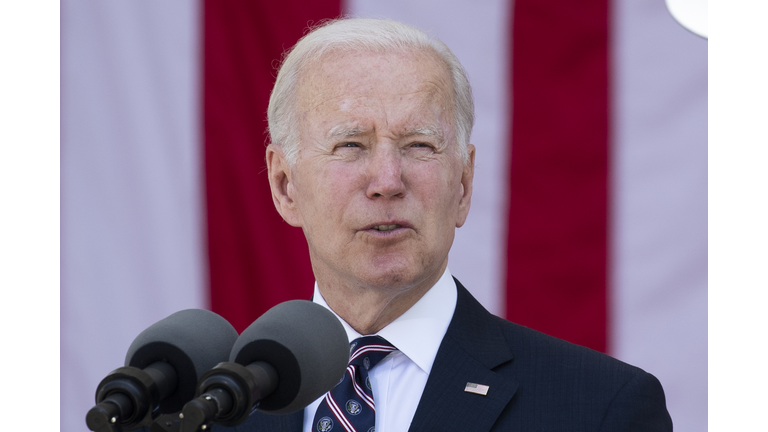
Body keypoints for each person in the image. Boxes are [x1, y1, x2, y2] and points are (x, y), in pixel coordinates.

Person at [222, 18, 672, 432]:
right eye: (351, 145)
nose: (387, 181)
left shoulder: (598, 408)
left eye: (419, 145)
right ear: (284, 186)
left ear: (463, 183)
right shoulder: (207, 409)